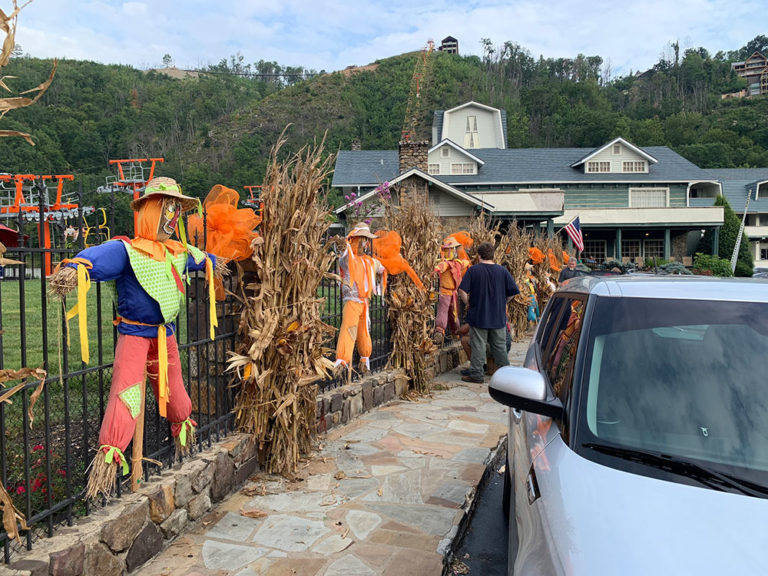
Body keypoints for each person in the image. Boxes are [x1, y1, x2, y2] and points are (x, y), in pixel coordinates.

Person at [49, 177, 220, 499]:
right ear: (149, 210)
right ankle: (110, 462)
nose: (172, 218)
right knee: (126, 392)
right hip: (134, 335)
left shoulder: (177, 251)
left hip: (164, 335)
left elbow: (203, 259)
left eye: (176, 211)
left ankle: (182, 438)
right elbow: (95, 259)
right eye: (166, 209)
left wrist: (214, 263)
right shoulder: (127, 250)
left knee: (175, 389)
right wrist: (73, 270)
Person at [458, 242, 519, 383]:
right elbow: (513, 292)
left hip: (478, 315)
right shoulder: (502, 271)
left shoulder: (473, 271)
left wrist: (468, 303)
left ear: (479, 255)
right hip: (498, 316)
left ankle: (476, 374)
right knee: (499, 347)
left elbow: (462, 290)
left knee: (478, 345)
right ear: (493, 255)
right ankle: (506, 374)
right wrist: (503, 302)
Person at [335, 222, 386, 373]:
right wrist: (346, 243)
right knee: (349, 328)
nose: (363, 243)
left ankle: (365, 359)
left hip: (365, 302)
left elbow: (382, 268)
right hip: (352, 300)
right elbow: (343, 250)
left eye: (365, 240)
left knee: (364, 331)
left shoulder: (369, 261)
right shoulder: (348, 257)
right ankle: (342, 361)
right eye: (361, 239)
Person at [433, 237, 469, 344]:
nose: (454, 251)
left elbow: (465, 263)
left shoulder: (456, 263)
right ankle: (439, 331)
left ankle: (455, 332)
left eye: (454, 249)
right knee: (443, 311)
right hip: (445, 292)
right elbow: (440, 267)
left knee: (454, 313)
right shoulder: (445, 264)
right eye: (452, 249)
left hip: (453, 292)